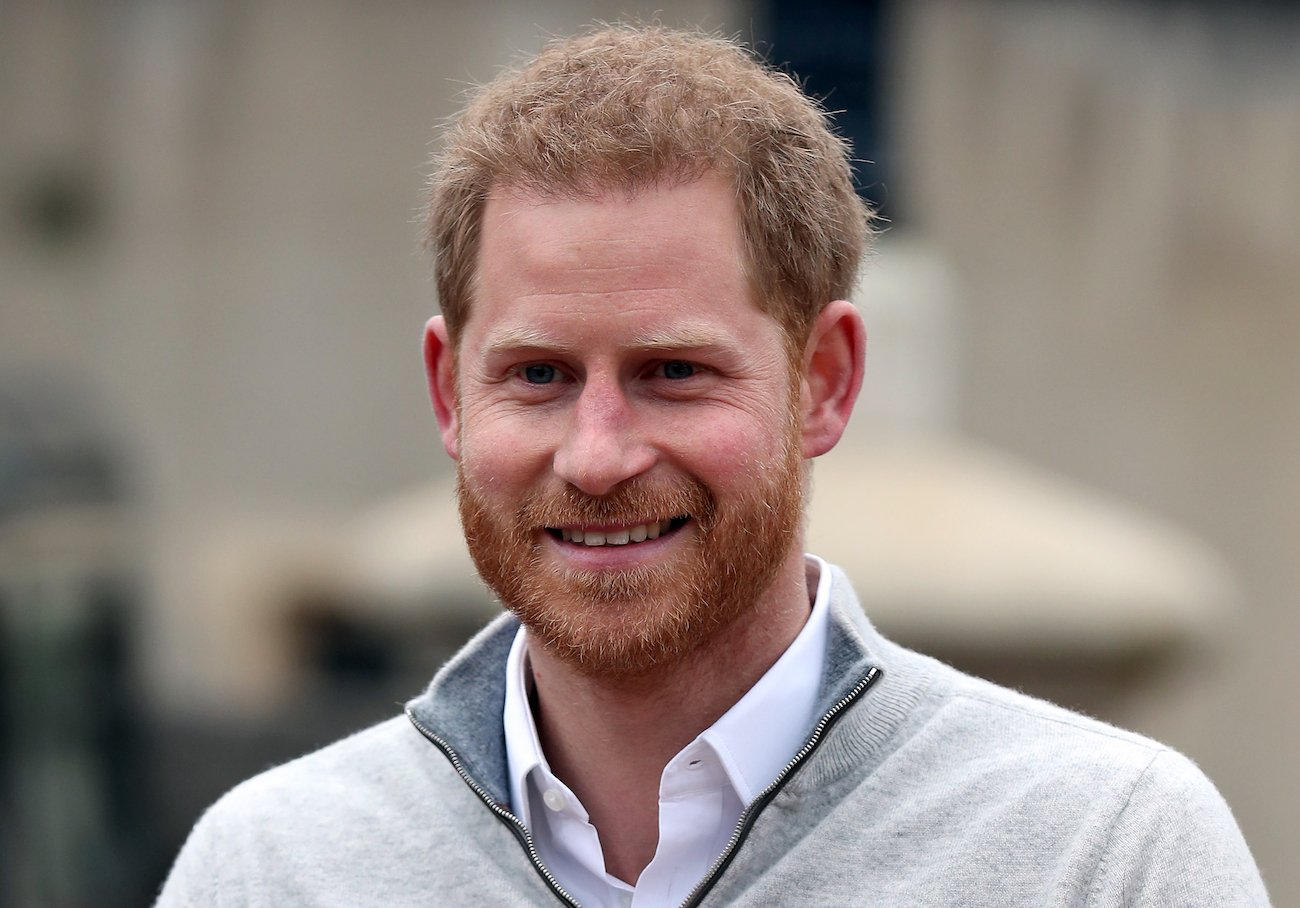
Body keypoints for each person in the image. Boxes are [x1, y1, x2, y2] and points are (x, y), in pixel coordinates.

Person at [157, 25, 1269, 908]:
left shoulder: (1102, 853)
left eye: (674, 372)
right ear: (450, 391)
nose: (597, 455)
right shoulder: (271, 869)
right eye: (538, 374)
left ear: (824, 380)